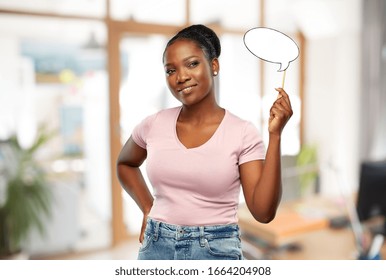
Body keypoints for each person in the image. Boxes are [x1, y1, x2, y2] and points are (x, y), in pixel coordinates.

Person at [117, 24, 293, 260]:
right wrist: (148, 208)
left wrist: (276, 135)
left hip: (215, 250)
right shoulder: (153, 125)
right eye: (171, 70)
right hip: (156, 248)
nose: (181, 77)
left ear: (214, 66)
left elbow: (263, 212)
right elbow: (125, 164)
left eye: (192, 64)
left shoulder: (242, 132)